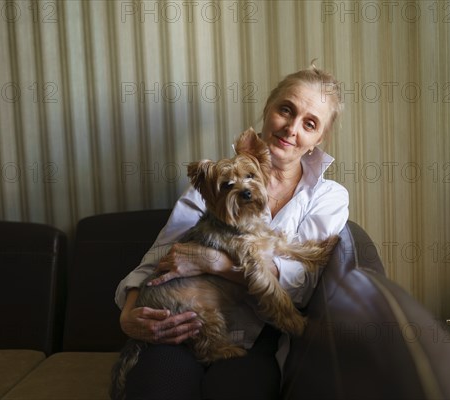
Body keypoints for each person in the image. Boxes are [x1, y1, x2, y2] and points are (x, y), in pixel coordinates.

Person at [113, 63, 349, 400]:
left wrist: (214, 263)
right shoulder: (214, 184)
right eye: (286, 110)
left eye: (309, 124)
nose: (291, 128)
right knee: (155, 388)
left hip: (256, 337)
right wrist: (128, 317)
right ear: (268, 110)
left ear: (318, 139)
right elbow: (158, 257)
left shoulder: (328, 197)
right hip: (179, 325)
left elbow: (300, 288)